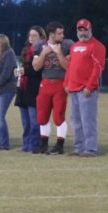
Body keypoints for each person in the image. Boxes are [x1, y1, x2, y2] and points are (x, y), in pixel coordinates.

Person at [64, 19, 106, 157]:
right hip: (74, 89)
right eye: (80, 30)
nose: (83, 32)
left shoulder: (97, 46)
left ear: (90, 30)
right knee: (75, 121)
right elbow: (70, 67)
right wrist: (66, 83)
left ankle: (90, 149)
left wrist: (90, 86)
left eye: (85, 29)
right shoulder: (74, 46)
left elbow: (98, 67)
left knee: (88, 120)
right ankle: (79, 148)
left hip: (86, 90)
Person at [33, 21, 72, 155]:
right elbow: (36, 67)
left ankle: (59, 146)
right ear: (51, 34)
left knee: (58, 116)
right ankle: (43, 145)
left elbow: (68, 67)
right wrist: (44, 53)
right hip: (45, 83)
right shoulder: (40, 46)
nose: (62, 35)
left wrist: (59, 53)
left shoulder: (66, 45)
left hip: (60, 84)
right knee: (42, 116)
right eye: (59, 33)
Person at [15, 26, 45, 153]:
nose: (31, 38)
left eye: (35, 36)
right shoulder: (25, 50)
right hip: (23, 87)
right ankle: (26, 144)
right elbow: (22, 66)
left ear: (41, 37)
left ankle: (35, 145)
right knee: (25, 121)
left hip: (34, 88)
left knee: (34, 121)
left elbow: (38, 70)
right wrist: (18, 71)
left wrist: (25, 70)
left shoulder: (42, 51)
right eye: (30, 35)